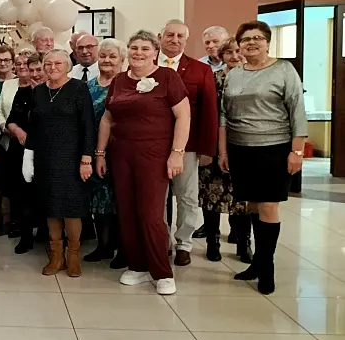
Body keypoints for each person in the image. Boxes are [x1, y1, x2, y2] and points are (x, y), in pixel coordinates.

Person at [94, 30, 190, 296]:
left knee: (150, 214)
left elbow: (183, 116)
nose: (138, 53)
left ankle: (162, 271)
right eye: (134, 48)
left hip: (154, 155)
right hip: (121, 154)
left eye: (145, 48)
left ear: (155, 52)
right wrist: (100, 153)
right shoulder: (119, 80)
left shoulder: (168, 78)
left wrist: (177, 153)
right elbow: (107, 119)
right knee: (126, 211)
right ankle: (137, 266)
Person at [220, 20, 307, 295]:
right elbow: (224, 114)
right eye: (245, 39)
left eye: (257, 38)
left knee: (269, 206)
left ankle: (266, 268)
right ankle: (257, 262)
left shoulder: (284, 70)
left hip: (275, 148)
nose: (251, 43)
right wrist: (223, 151)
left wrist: (297, 151)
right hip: (240, 148)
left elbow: (297, 110)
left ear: (268, 42)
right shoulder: (234, 74)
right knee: (252, 204)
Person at [22, 49, 96, 277]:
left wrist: (86, 158)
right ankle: (56, 256)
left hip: (72, 159)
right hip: (45, 159)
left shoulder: (78, 88)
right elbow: (33, 127)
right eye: (48, 64)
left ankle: (73, 255)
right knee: (51, 207)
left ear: (67, 66)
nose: (52, 67)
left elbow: (88, 125)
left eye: (58, 64)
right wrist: (28, 157)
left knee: (71, 209)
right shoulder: (38, 92)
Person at [158, 19, 219, 266]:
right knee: (157, 197)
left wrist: (208, 148)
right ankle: (161, 241)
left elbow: (209, 112)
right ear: (160, 37)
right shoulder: (147, 65)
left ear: (186, 40)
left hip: (188, 145)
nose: (174, 40)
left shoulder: (199, 70)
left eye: (180, 36)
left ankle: (184, 243)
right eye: (169, 35)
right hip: (153, 144)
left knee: (187, 196)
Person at [199, 38, 252, 263]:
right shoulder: (212, 79)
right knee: (210, 196)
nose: (235, 56)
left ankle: (244, 243)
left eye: (238, 51)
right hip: (214, 144)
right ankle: (213, 242)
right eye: (229, 52)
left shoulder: (252, 79)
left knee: (243, 197)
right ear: (222, 56)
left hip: (244, 143)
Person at [83, 39, 126, 267]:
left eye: (112, 56)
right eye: (103, 56)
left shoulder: (127, 85)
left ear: (122, 60)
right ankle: (104, 245)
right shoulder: (88, 86)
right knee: (99, 199)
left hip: (121, 149)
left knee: (121, 200)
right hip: (94, 151)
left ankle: (124, 248)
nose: (107, 60)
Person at [5, 53, 44, 253]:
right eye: (32, 70)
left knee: (44, 194)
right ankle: (26, 237)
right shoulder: (23, 92)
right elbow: (10, 120)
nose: (35, 74)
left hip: (46, 152)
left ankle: (46, 233)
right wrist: (18, 131)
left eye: (39, 69)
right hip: (21, 151)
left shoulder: (54, 93)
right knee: (23, 195)